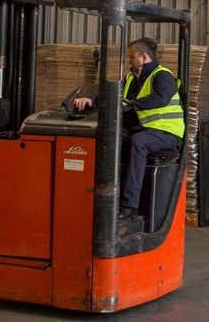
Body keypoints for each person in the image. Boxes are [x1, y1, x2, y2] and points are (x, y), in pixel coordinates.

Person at [72, 38, 184, 224]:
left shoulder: (162, 75)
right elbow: (114, 95)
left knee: (138, 142)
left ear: (144, 56)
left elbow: (160, 99)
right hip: (144, 129)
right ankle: (103, 195)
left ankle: (130, 205)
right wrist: (92, 102)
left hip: (167, 133)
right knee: (107, 137)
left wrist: (131, 104)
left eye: (132, 56)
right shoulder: (131, 77)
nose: (130, 60)